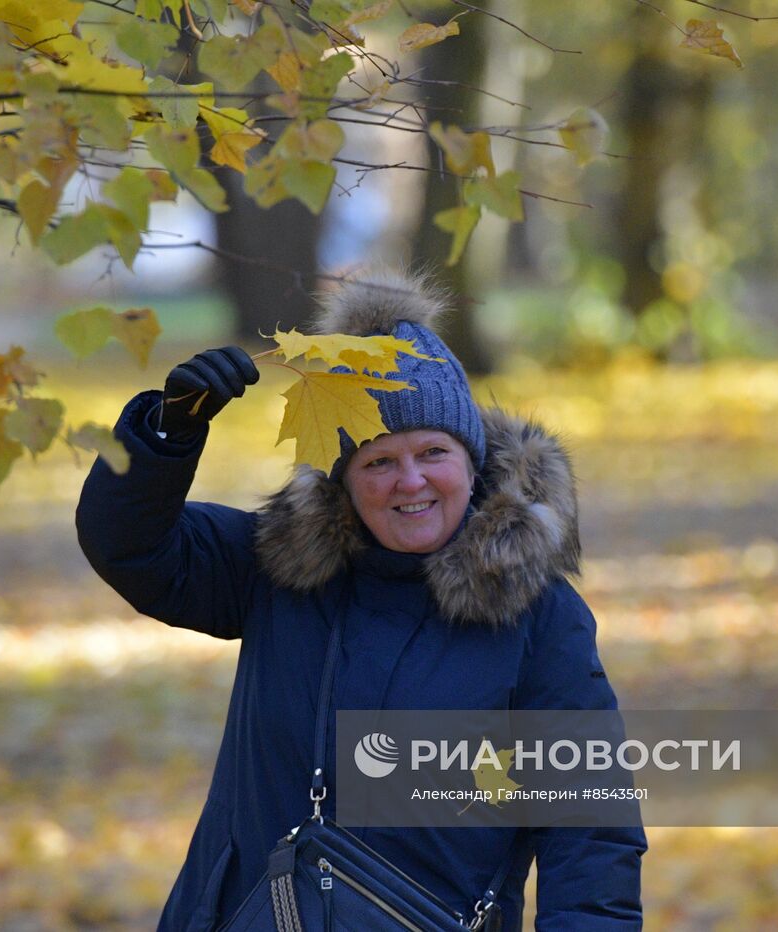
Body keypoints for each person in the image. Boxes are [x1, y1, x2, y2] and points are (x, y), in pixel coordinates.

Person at [75, 270, 646, 930]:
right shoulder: (278, 565)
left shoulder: (538, 617)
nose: (411, 482)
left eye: (434, 452)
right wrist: (166, 437)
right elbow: (131, 548)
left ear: (471, 458)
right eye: (378, 462)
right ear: (344, 480)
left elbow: (592, 832)